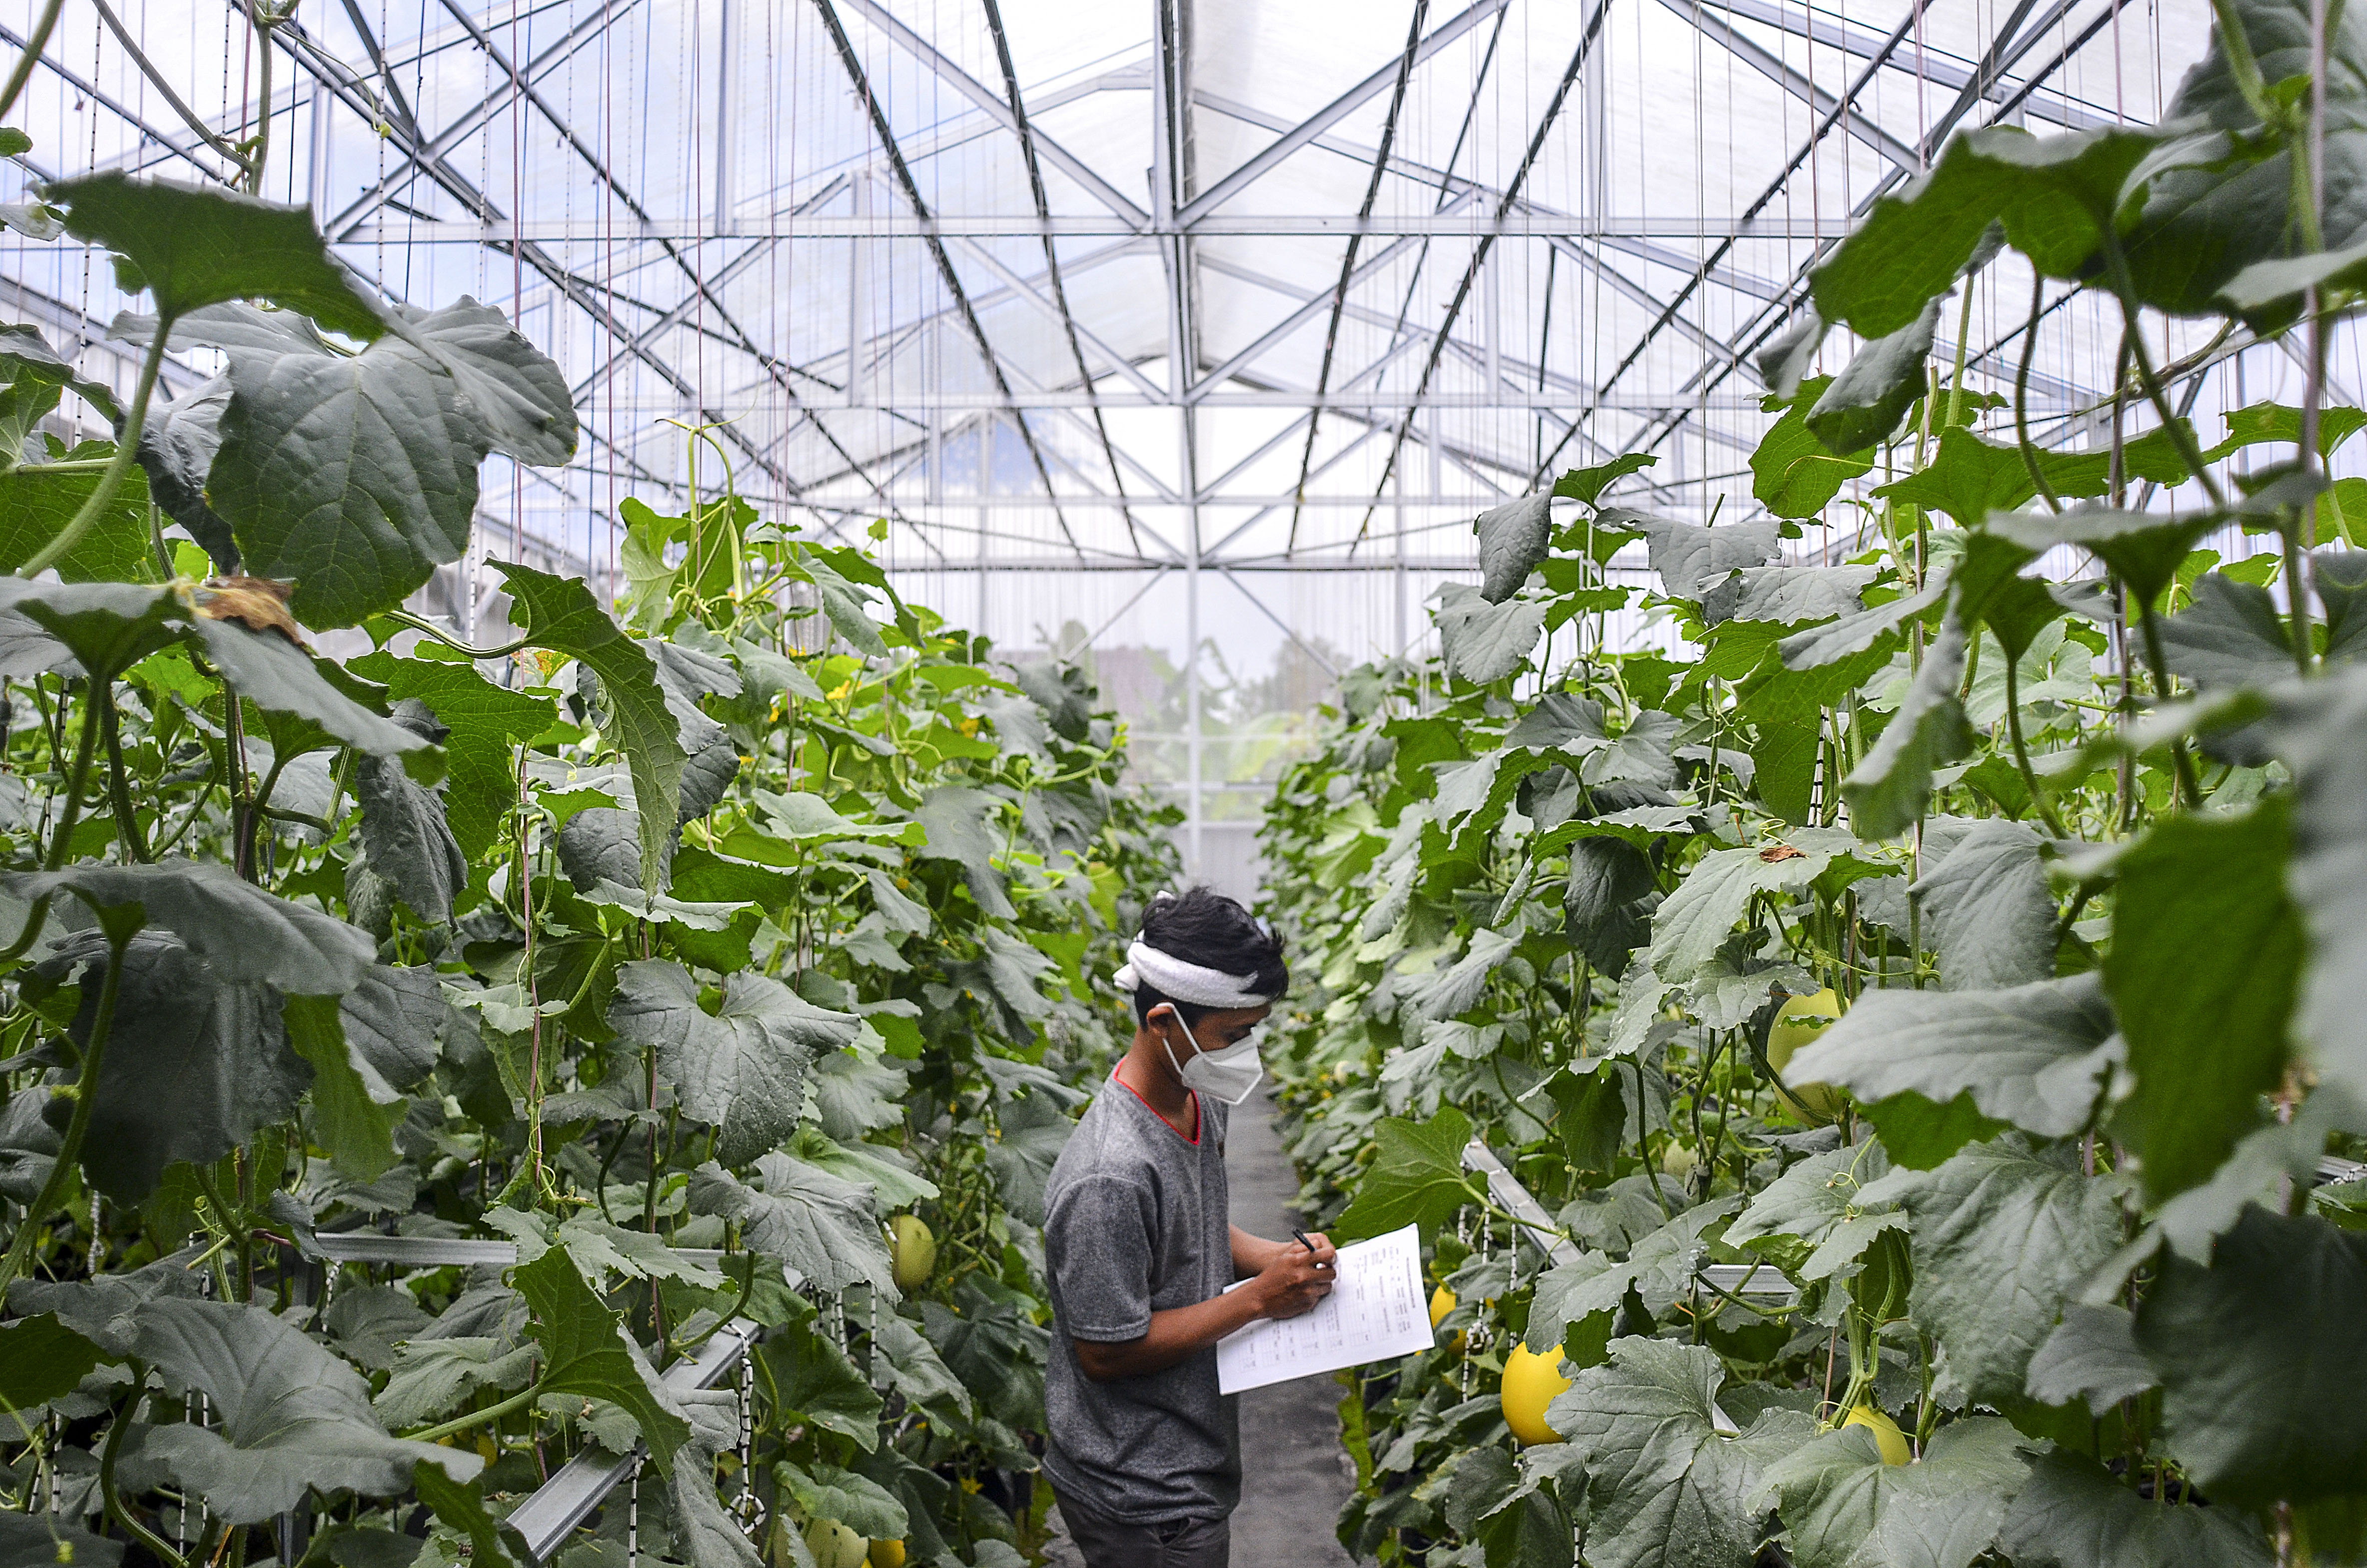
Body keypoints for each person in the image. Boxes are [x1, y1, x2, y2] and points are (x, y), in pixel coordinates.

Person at [1039, 887, 1338, 1568]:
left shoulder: (1199, 1099)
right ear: (1166, 1021)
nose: (1248, 1050)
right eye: (1235, 1034)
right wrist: (1260, 1298)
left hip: (1186, 1453)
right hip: (1140, 1488)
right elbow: (1106, 1350)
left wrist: (1276, 1260)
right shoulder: (1107, 1175)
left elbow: (1192, 1226)